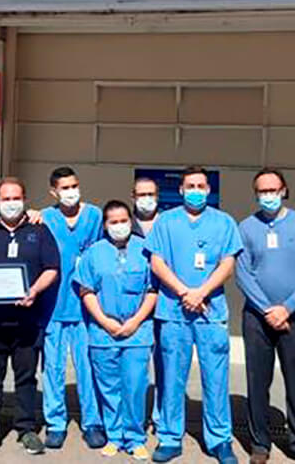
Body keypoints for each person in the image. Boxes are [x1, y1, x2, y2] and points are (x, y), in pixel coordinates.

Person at [144, 165, 242, 464]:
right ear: (182, 189)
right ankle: (171, 437)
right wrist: (185, 292)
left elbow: (228, 263)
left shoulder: (224, 222)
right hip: (174, 311)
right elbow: (157, 263)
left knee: (216, 377)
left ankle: (220, 440)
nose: (196, 191)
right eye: (191, 186)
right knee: (171, 377)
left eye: (201, 186)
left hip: (210, 312)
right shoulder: (166, 222)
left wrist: (201, 292)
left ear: (208, 190)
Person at [0, 177, 60, 459]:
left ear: (25, 199)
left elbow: (52, 268)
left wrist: (34, 290)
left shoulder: (39, 230)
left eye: (16, 198)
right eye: (5, 199)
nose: (11, 203)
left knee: (26, 378)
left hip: (26, 319)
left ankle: (26, 429)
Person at [235, 168, 295, 464]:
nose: (268, 196)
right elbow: (243, 273)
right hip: (257, 319)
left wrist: (287, 307)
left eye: (273, 190)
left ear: (284, 190)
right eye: (262, 191)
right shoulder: (246, 227)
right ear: (256, 194)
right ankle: (260, 444)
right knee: (257, 382)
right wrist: (266, 310)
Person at [75, 200, 158, 461]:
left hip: (138, 331)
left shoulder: (145, 250)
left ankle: (134, 437)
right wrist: (104, 321)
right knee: (108, 387)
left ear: (131, 221)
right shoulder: (94, 253)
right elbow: (86, 290)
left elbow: (152, 291)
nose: (119, 226)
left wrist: (135, 322)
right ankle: (114, 436)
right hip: (103, 332)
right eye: (113, 221)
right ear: (105, 225)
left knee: (134, 386)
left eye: (124, 220)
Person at [39, 166, 106, 450]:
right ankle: (55, 423)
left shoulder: (94, 216)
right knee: (52, 369)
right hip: (53, 306)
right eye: (64, 188)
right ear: (54, 192)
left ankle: (92, 423)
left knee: (87, 367)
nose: (71, 192)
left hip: (84, 305)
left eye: (74, 186)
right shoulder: (45, 218)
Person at [130, 176, 162, 432]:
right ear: (133, 197)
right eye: (141, 195)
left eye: (150, 194)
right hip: (130, 309)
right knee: (134, 371)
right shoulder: (121, 223)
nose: (146, 199)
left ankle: (161, 419)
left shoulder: (169, 224)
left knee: (165, 367)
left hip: (165, 305)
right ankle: (133, 419)